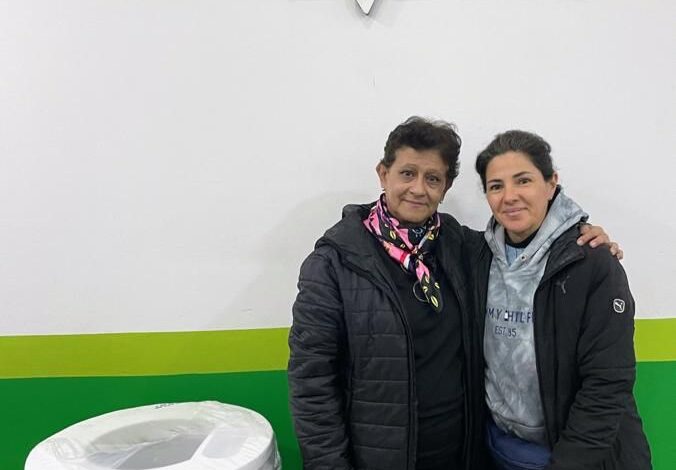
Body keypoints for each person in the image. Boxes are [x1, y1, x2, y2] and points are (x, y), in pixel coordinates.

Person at [287, 117, 613, 470]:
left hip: (464, 455)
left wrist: (578, 237)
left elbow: (526, 243)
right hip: (379, 459)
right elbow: (312, 383)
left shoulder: (462, 247)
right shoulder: (333, 264)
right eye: (407, 173)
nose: (418, 189)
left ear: (445, 187)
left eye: (433, 178)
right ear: (383, 174)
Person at [468, 130, 651, 470]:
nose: (510, 196)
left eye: (523, 180)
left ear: (551, 183)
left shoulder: (591, 262)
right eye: (496, 186)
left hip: (575, 457)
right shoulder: (477, 256)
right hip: (500, 449)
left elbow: (606, 385)